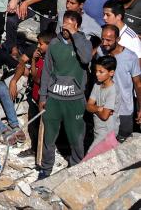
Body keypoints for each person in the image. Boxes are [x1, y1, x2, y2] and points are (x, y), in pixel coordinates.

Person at [38, 10, 93, 178]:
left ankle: (76, 170)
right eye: (64, 23)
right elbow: (47, 71)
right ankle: (45, 170)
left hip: (75, 100)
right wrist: (43, 96)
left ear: (77, 25)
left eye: (69, 24)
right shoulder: (54, 44)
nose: (65, 28)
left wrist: (75, 35)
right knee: (49, 138)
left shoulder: (85, 43)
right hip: (54, 98)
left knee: (76, 138)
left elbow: (85, 59)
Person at [96, 24, 141, 140]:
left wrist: (140, 109)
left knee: (123, 148)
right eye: (102, 39)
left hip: (123, 111)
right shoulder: (101, 51)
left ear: (118, 39)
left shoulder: (131, 57)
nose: (104, 43)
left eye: (108, 40)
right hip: (103, 111)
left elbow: (138, 85)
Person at [12, 30, 53, 151]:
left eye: (41, 44)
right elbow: (33, 75)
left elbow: (39, 80)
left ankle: (43, 153)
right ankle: (34, 149)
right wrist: (34, 60)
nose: (38, 46)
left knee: (44, 128)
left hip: (44, 100)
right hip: (35, 97)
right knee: (33, 126)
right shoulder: (40, 57)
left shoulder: (52, 62)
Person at [86, 55, 119, 152]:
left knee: (90, 156)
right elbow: (88, 106)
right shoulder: (97, 84)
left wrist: (94, 108)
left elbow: (105, 116)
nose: (97, 74)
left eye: (101, 72)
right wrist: (99, 108)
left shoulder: (113, 91)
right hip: (98, 130)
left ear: (111, 72)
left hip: (107, 132)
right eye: (96, 71)